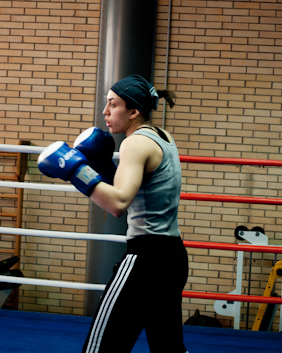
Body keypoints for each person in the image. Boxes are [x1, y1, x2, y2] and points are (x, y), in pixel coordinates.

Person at [37, 74, 189, 353]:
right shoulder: (163, 138)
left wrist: (75, 170)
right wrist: (103, 166)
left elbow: (118, 203)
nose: (105, 112)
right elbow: (136, 193)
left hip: (145, 259)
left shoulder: (134, 143)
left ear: (134, 111)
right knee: (169, 349)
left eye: (113, 104)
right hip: (172, 257)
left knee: (99, 349)